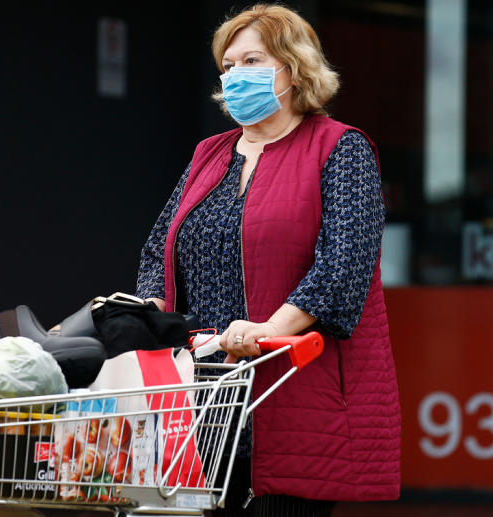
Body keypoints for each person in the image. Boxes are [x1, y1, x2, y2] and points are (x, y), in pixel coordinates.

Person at [136, 4, 400, 515]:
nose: (235, 76)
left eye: (251, 60)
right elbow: (158, 251)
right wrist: (150, 319)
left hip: (289, 388)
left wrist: (265, 332)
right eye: (227, 66)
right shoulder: (208, 154)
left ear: (293, 67)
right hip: (202, 396)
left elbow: (342, 268)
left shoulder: (341, 150)